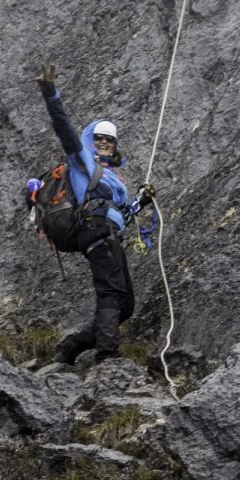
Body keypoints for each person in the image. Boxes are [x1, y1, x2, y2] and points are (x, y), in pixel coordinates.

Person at [35, 64, 153, 365]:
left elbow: (123, 215)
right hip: (95, 228)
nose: (103, 142)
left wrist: (141, 201)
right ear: (91, 138)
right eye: (99, 137)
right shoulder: (81, 159)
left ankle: (71, 348)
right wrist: (51, 94)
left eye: (109, 139)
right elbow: (64, 128)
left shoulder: (113, 179)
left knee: (125, 304)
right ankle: (107, 357)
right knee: (111, 293)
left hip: (108, 231)